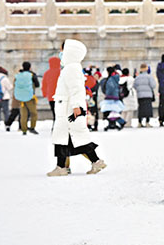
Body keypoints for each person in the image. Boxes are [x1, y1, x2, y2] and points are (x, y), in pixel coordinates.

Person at [48, 39, 106, 176]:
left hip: (69, 109)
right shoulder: (70, 68)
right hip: (66, 108)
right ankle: (62, 166)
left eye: (62, 50)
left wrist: (76, 107)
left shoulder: (71, 68)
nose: (60, 53)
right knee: (66, 139)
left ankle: (93, 162)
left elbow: (76, 90)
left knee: (76, 139)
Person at [15, 62, 40, 135]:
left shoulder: (18, 75)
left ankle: (24, 130)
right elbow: (37, 85)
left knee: (23, 115)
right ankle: (32, 128)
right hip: (30, 98)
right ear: (30, 67)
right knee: (34, 114)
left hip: (21, 98)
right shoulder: (32, 75)